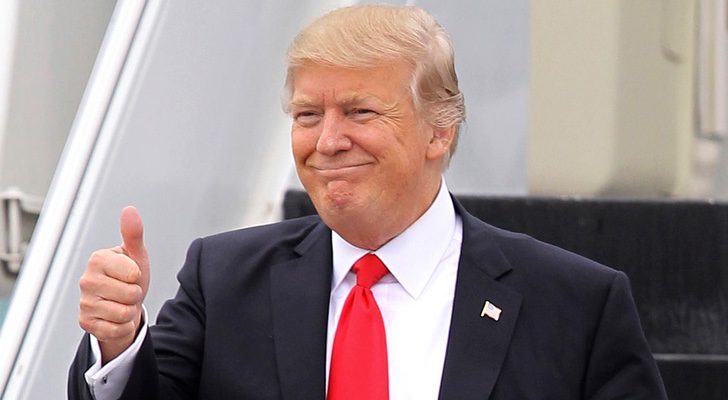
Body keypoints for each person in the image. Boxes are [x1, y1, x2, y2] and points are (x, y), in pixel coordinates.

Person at [69, 5, 667, 400]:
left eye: (359, 111)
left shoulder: (575, 305)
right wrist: (119, 341)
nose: (328, 141)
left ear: (439, 131)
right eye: (308, 115)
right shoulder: (223, 279)